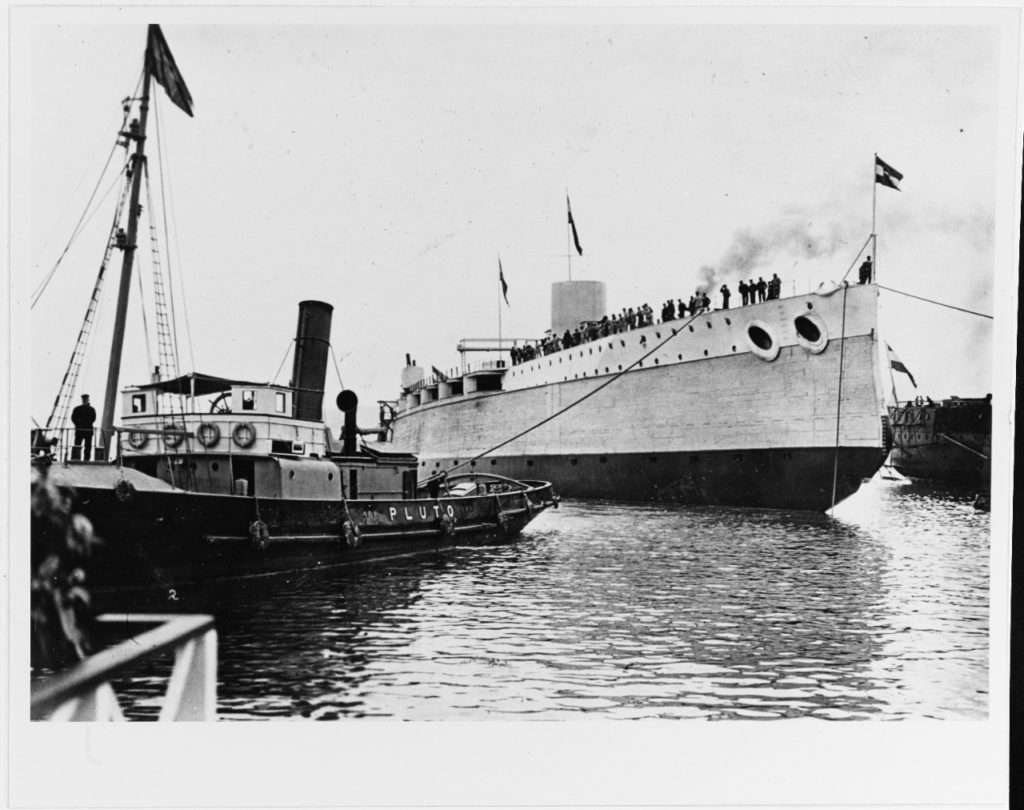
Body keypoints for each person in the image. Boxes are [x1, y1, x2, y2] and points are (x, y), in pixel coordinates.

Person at [71, 394, 97, 461]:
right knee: (77, 445)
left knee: (88, 446)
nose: (84, 400)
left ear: (88, 400)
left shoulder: (92, 410)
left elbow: (93, 419)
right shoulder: (77, 409)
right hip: (80, 430)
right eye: (83, 399)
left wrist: (84, 422)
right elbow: (73, 418)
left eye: (85, 399)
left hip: (88, 430)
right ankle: (76, 459)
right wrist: (79, 423)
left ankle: (86, 459)